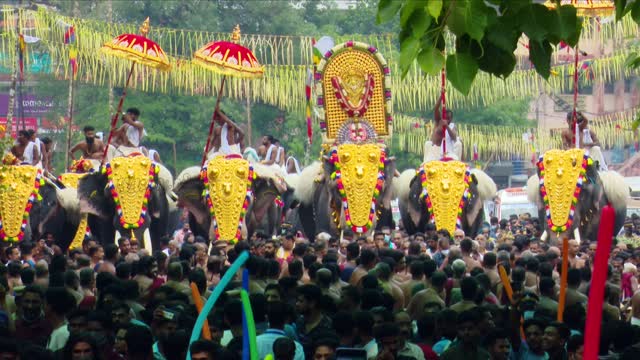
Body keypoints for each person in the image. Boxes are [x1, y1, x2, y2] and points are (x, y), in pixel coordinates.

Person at [424, 94, 462, 162]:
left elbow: (454, 137)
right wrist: (441, 96)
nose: (447, 119)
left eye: (448, 118)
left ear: (451, 118)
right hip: (435, 151)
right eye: (445, 117)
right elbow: (436, 109)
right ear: (442, 116)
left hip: (448, 153)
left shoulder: (452, 126)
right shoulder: (438, 121)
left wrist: (446, 126)